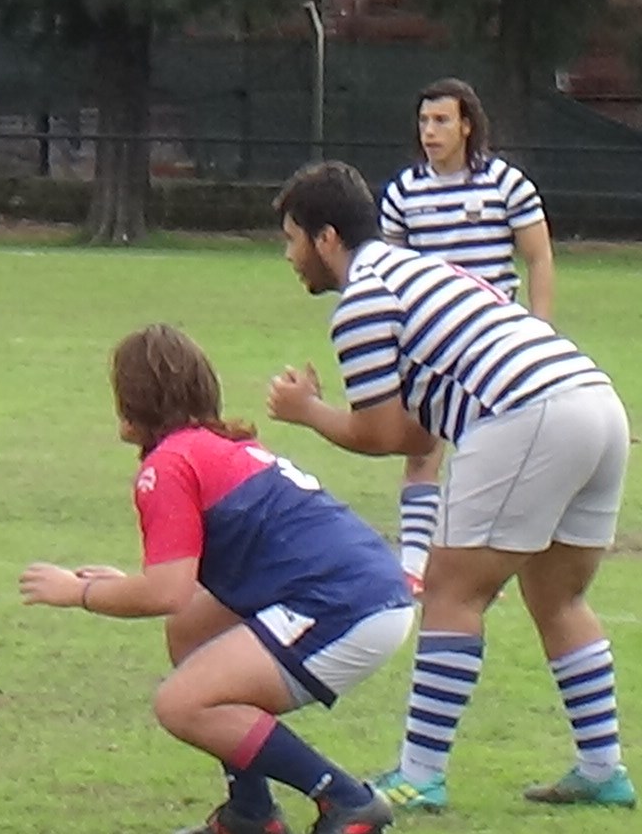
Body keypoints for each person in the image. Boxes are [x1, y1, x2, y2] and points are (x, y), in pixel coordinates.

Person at [265, 160, 633, 813]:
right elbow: (419, 434)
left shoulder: (363, 299)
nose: (289, 256)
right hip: (597, 403)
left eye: (293, 239)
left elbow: (385, 435)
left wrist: (307, 412)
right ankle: (603, 768)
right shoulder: (418, 270)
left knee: (449, 590)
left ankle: (419, 775)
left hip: (529, 412)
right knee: (557, 595)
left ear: (326, 238)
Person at [21, 324, 409, 834]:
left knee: (181, 704)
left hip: (345, 605)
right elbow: (181, 585)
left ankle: (346, 800)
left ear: (134, 400)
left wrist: (81, 593)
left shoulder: (168, 465)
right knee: (191, 631)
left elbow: (166, 591)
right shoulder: (213, 446)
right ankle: (250, 813)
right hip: (361, 589)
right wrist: (123, 583)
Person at [377, 78, 555, 589]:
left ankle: (517, 548)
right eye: (424, 121)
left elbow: (539, 257)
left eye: (442, 121)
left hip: (495, 342)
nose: (430, 132)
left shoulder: (506, 183)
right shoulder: (403, 191)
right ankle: (413, 563)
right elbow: (388, 269)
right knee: (421, 448)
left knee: (501, 451)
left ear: (467, 125)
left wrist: (540, 330)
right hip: (430, 341)